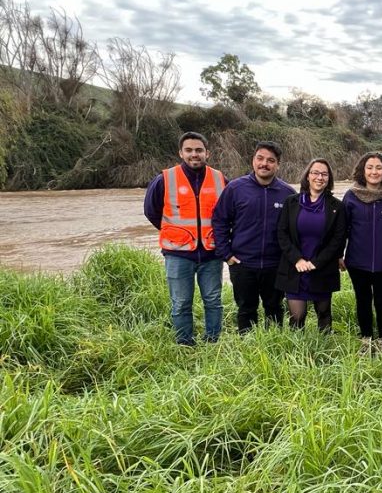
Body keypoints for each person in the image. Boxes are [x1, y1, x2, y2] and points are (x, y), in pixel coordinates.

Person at [143, 131, 226, 346]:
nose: (194, 154)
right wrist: (175, 233)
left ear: (207, 153)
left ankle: (213, 341)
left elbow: (229, 214)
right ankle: (184, 344)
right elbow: (152, 212)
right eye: (189, 150)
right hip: (178, 254)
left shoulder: (220, 179)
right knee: (180, 303)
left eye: (199, 150)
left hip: (211, 252)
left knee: (213, 301)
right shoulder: (165, 179)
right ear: (180, 152)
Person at [211, 141, 296, 333]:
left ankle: (274, 347)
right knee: (246, 309)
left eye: (271, 160)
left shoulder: (288, 193)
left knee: (274, 309)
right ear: (253, 160)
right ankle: (248, 349)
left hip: (275, 265)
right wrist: (226, 254)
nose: (264, 164)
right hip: (242, 264)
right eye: (260, 158)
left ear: (278, 165)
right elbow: (219, 220)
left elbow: (295, 230)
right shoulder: (235, 188)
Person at [275, 158, 346, 332]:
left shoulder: (337, 206)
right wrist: (297, 259)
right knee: (297, 317)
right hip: (295, 268)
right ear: (308, 176)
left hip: (322, 268)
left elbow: (338, 239)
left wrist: (316, 262)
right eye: (315, 172)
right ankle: (296, 355)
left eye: (324, 174)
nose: (319, 177)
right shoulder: (291, 202)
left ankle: (325, 354)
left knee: (324, 314)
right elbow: (282, 233)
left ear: (329, 179)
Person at [341, 151, 382, 343]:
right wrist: (338, 255)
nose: (374, 172)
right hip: (356, 261)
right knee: (363, 300)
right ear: (363, 170)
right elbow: (341, 229)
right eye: (370, 167)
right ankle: (366, 337)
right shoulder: (351, 196)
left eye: (378, 167)